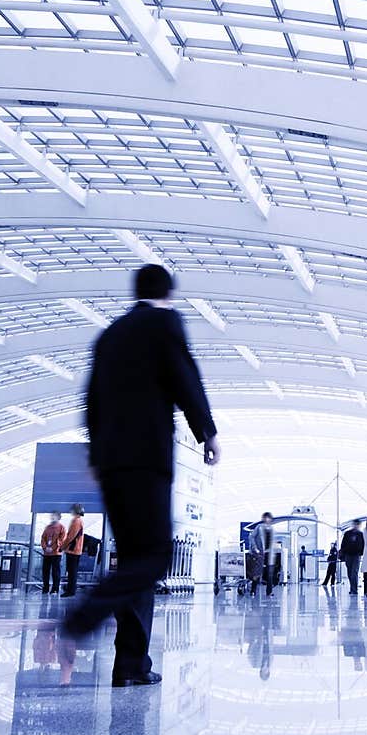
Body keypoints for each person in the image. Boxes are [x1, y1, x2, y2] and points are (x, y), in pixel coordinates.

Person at [62, 264, 220, 687]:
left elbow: (92, 398)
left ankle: (131, 665)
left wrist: (97, 456)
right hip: (146, 457)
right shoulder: (164, 321)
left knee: (135, 562)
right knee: (154, 558)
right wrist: (207, 432)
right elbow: (185, 377)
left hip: (112, 461)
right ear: (167, 294)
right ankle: (81, 618)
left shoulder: (110, 335)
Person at [249, 512, 275, 596]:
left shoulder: (272, 529)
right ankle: (253, 591)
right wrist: (255, 548)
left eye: (269, 518)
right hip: (260, 553)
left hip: (269, 553)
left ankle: (269, 591)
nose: (267, 519)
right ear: (263, 519)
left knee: (270, 573)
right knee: (257, 572)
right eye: (266, 518)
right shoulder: (259, 527)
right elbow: (251, 537)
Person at [61, 503, 85, 597]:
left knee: (71, 571)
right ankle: (71, 590)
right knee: (72, 571)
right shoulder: (80, 521)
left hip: (72, 550)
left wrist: (62, 547)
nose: (70, 511)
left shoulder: (76, 521)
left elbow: (71, 537)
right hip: (76, 550)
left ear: (76, 511)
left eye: (72, 510)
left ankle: (70, 591)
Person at [40, 510, 65, 595]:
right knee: (45, 571)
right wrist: (45, 547)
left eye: (54, 516)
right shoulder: (47, 527)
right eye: (52, 515)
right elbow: (43, 538)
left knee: (55, 572)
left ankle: (55, 589)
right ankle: (45, 588)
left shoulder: (61, 527)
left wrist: (53, 548)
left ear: (58, 517)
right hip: (47, 553)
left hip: (56, 554)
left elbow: (61, 540)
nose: (52, 517)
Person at [339, 519, 365, 595]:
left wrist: (361, 552)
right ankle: (352, 588)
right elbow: (343, 544)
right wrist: (343, 552)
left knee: (354, 572)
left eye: (358, 525)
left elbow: (363, 544)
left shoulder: (361, 534)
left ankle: (354, 589)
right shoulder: (347, 534)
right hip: (348, 555)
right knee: (349, 572)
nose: (356, 526)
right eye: (355, 524)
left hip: (356, 555)